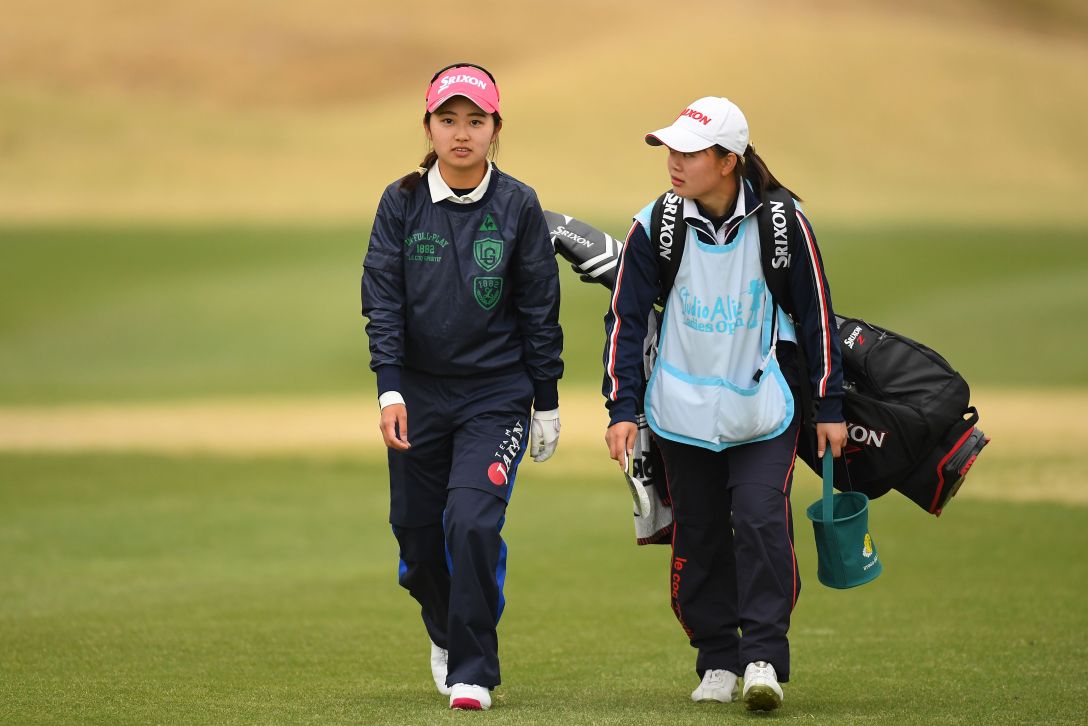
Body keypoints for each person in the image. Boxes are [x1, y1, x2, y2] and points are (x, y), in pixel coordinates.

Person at [602, 96, 847, 711]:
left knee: (762, 521)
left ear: (729, 160)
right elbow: (625, 321)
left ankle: (762, 657)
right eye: (671, 151)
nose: (674, 164)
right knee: (702, 534)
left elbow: (817, 315)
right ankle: (716, 659)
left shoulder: (783, 223)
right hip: (681, 408)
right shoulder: (654, 225)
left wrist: (830, 406)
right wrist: (621, 409)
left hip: (762, 405)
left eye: (689, 153)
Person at [361, 63, 563, 711]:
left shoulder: (519, 205)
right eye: (448, 120)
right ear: (429, 125)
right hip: (418, 396)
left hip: (495, 396)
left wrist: (547, 400)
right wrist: (389, 389)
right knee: (417, 541)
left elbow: (539, 305)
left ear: (495, 129)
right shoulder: (401, 201)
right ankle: (447, 631)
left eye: (475, 120)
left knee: (472, 523)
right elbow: (383, 299)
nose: (461, 133)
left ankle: (473, 670)